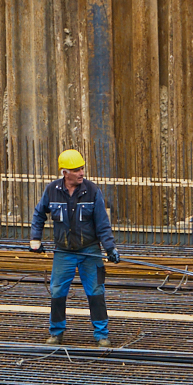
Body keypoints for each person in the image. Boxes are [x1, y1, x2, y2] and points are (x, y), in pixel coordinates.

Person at [29, 149, 120, 348]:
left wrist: (110, 248)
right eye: (76, 170)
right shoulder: (52, 190)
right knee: (57, 291)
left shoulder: (93, 191)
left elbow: (102, 223)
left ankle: (102, 334)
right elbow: (38, 215)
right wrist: (35, 239)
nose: (81, 172)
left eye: (82, 168)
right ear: (65, 172)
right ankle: (56, 332)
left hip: (90, 252)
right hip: (63, 253)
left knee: (96, 291)